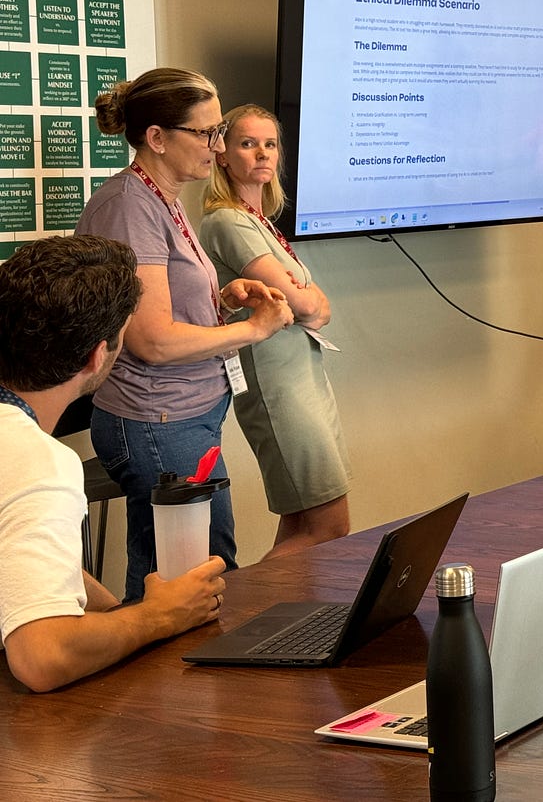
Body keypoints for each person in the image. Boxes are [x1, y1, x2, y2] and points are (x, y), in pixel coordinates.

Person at [76, 68, 294, 602]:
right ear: (157, 138)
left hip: (184, 414)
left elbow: (156, 306)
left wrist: (221, 299)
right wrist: (252, 330)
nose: (217, 146)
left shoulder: (163, 196)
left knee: (197, 574)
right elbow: (153, 342)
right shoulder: (130, 205)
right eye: (206, 133)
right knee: (184, 585)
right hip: (156, 419)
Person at [0, 234, 227, 693]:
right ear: (97, 355)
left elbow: (18, 545)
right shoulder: (37, 461)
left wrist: (113, 615)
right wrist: (157, 616)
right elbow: (43, 656)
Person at [199, 104, 351, 559]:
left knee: (303, 521)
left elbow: (313, 305)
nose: (263, 153)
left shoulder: (258, 218)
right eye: (248, 143)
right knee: (330, 523)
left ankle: (275, 625)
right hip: (276, 386)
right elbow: (304, 302)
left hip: (302, 377)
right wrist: (307, 302)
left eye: (270, 144)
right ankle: (244, 615)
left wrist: (308, 303)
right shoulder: (226, 220)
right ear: (223, 154)